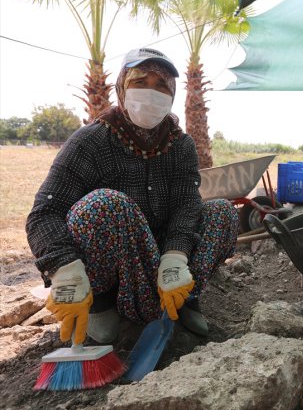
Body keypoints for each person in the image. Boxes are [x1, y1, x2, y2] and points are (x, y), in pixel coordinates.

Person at [26, 48, 239, 345]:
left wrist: (176, 256)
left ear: (173, 93)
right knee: (104, 204)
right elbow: (44, 214)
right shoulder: (91, 141)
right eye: (140, 82)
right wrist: (65, 269)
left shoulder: (181, 145)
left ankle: (183, 298)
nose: (151, 92)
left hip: (164, 261)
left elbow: (186, 204)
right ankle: (101, 304)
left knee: (222, 212)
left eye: (161, 85)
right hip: (119, 265)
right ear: (121, 87)